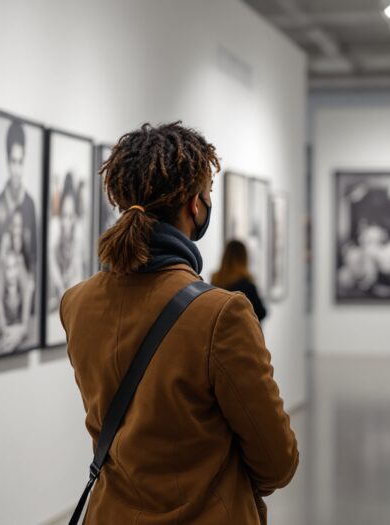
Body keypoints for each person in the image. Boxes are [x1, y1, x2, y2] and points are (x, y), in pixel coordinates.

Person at [60, 122, 298, 524]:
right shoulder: (222, 313)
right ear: (195, 205)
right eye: (207, 192)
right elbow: (278, 462)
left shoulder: (76, 302)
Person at [0, 119, 38, 350]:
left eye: (20, 161)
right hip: (2, 305)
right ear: (7, 162)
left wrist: (25, 324)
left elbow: (34, 262)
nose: (16, 169)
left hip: (25, 307)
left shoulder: (30, 205)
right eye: (12, 161)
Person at [48, 172, 86, 312]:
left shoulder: (78, 232)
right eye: (64, 215)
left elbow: (76, 266)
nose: (67, 221)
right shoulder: (55, 229)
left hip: (73, 290)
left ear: (75, 216)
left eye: (71, 216)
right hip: (57, 291)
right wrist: (59, 288)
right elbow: (52, 263)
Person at [211, 239, 267, 322]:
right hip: (242, 333)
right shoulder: (248, 286)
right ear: (244, 258)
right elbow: (261, 313)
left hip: (219, 332)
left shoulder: (215, 282)